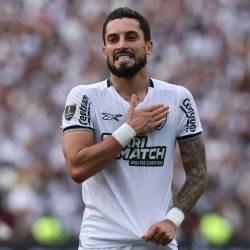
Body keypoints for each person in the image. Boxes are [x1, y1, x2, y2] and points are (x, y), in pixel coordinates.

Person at [61, 7, 207, 250]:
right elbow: (77, 168)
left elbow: (199, 173)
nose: (121, 45)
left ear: (148, 46)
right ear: (104, 50)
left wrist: (173, 219)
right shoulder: (84, 98)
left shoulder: (178, 98)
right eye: (113, 39)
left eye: (131, 37)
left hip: (157, 244)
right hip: (100, 244)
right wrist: (129, 130)